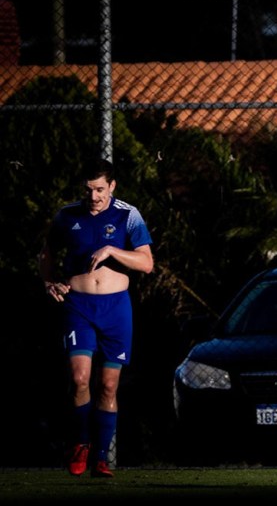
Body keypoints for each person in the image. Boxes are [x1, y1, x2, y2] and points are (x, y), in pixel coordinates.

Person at [38, 158, 154, 478]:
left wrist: (111, 251)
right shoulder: (67, 215)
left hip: (116, 309)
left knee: (108, 384)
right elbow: (46, 253)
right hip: (79, 307)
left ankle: (102, 457)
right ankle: (80, 444)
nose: (94, 197)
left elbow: (146, 263)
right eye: (88, 190)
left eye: (100, 190)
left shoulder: (128, 215)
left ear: (112, 186)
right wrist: (49, 282)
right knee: (79, 379)